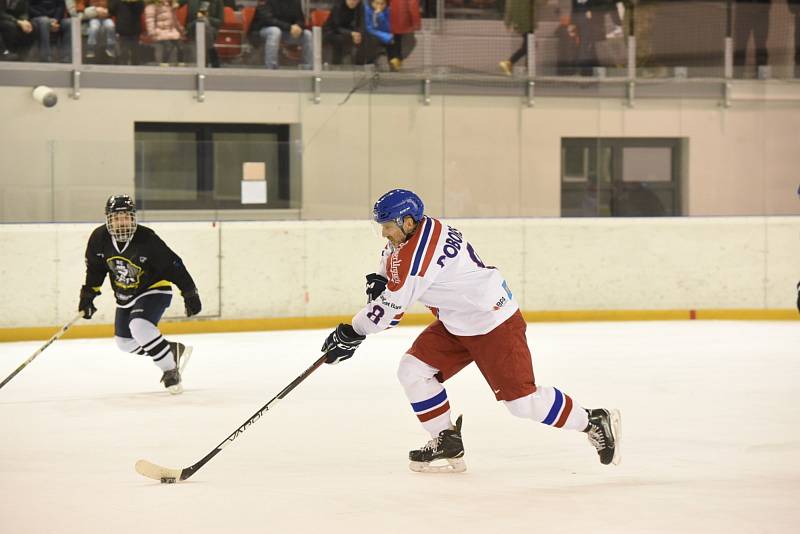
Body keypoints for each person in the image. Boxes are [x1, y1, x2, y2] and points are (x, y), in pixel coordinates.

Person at [320, 189, 621, 473]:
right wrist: (381, 278)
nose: (384, 233)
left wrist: (352, 332)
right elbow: (391, 257)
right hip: (459, 321)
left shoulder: (418, 256)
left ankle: (592, 421)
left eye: (388, 226)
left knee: (522, 404)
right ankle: (446, 440)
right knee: (412, 370)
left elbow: (390, 312)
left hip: (494, 323)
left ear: (407, 222)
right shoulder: (419, 231)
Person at [78, 195, 202, 394]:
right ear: (108, 219)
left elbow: (174, 265)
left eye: (126, 217)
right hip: (126, 295)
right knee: (125, 343)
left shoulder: (147, 238)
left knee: (139, 325)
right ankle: (170, 350)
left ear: (133, 217)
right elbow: (95, 269)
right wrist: (88, 296)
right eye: (117, 218)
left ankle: (170, 370)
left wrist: (189, 292)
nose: (122, 222)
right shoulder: (99, 238)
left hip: (155, 288)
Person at [249, 0, 312, 70]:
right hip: (262, 30)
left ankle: (308, 67)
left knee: (307, 34)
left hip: (286, 31)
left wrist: (298, 26)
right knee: (275, 31)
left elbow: (300, 19)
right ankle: (271, 67)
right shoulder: (266, 1)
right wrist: (289, 27)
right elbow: (268, 20)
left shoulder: (295, 2)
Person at [322, 0, 363, 66]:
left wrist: (358, 34)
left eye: (356, 0)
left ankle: (360, 65)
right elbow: (336, 27)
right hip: (332, 32)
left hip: (350, 32)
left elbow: (360, 23)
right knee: (341, 39)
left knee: (365, 38)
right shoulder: (338, 6)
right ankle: (336, 64)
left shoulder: (360, 7)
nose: (354, 2)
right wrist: (351, 33)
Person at [144, 0, 184, 65]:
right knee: (168, 46)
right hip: (160, 30)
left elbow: (174, 19)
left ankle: (181, 63)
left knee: (180, 46)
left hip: (172, 30)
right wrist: (152, 32)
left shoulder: (169, 5)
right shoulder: (152, 6)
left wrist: (180, 28)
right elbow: (150, 20)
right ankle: (164, 63)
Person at [363, 0, 399, 71]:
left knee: (395, 41)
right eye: (377, 3)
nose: (379, 6)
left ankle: (394, 66)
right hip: (371, 35)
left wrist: (381, 16)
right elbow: (369, 28)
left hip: (384, 34)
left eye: (382, 4)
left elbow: (388, 28)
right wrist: (385, 37)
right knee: (373, 40)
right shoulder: (367, 10)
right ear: (372, 3)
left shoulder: (388, 10)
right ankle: (369, 64)